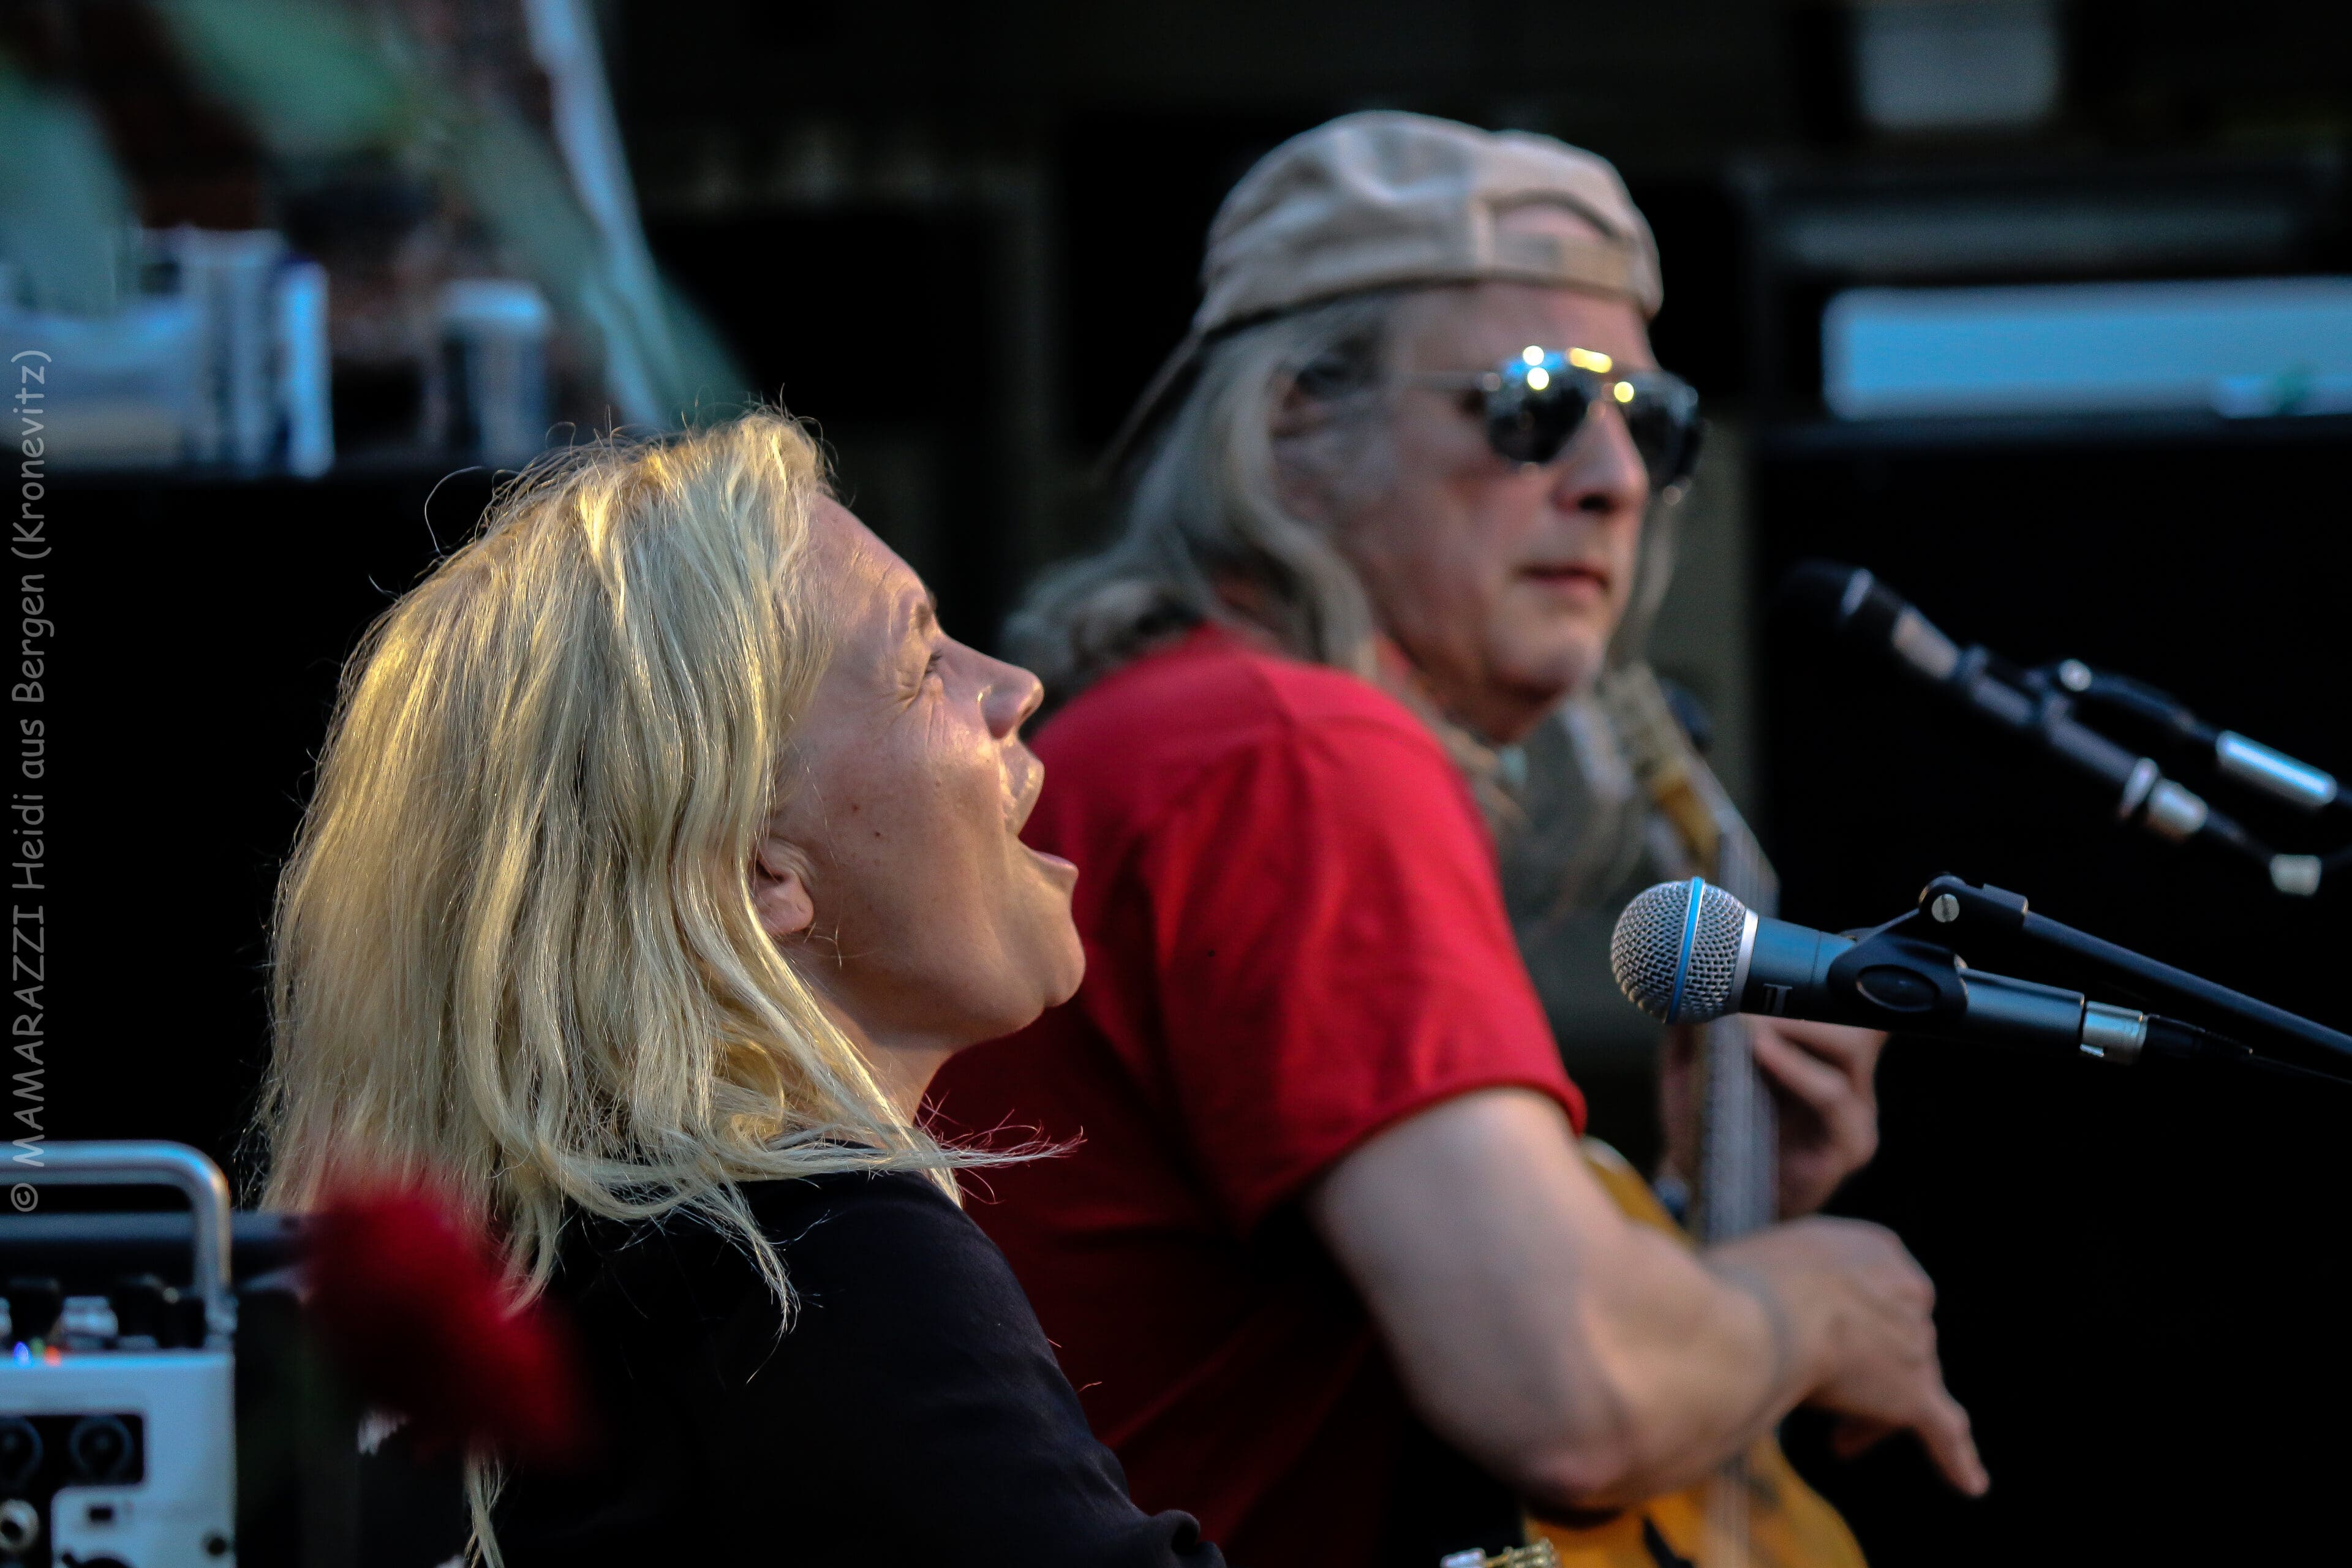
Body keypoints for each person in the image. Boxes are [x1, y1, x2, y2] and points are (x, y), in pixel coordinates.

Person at [925, 113, 1987, 1568]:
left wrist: (1698, 1214)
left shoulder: (1192, 729)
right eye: (1539, 399)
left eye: (1653, 419)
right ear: (1297, 421)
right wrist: (1817, 1297)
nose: (1615, 474)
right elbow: (1564, 1394)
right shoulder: (1293, 749)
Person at [260, 412, 1226, 1568]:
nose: (1014, 685)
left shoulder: (577, 1282)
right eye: (923, 665)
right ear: (756, 866)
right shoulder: (818, 1268)